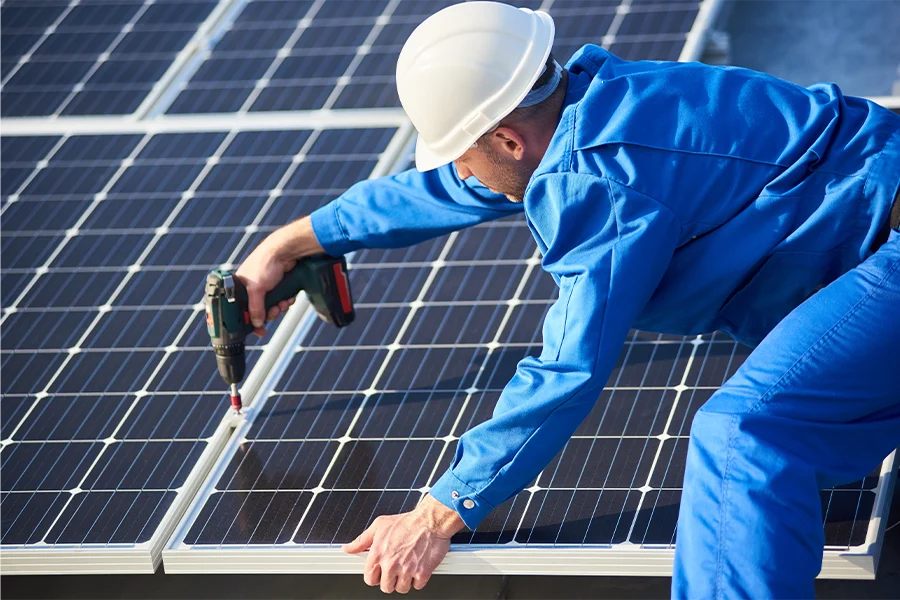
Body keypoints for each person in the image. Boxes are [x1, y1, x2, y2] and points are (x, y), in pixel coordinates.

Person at [235, 2, 900, 597]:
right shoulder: (590, 98)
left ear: (506, 140)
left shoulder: (595, 183)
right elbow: (448, 188)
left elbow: (567, 370)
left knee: (745, 436)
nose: (460, 170)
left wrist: (439, 513)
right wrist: (295, 241)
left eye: (462, 154)